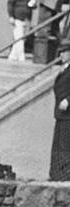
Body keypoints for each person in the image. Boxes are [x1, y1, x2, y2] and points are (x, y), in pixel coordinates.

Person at [50, 39, 70, 180]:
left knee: (64, 146)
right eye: (61, 52)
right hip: (61, 114)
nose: (61, 55)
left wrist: (68, 100)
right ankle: (56, 175)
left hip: (67, 114)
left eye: (64, 52)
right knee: (58, 145)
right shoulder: (64, 68)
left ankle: (64, 176)